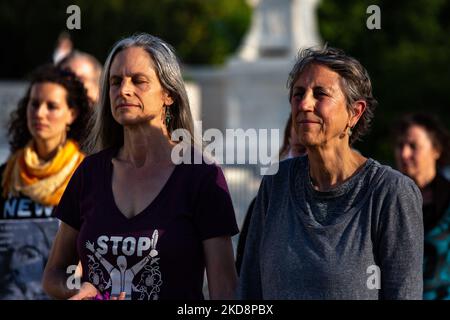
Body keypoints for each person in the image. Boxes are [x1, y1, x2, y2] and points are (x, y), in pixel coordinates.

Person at [43, 33, 238, 300]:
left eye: (138, 81)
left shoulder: (201, 176)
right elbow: (54, 273)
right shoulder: (89, 172)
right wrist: (78, 289)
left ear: (168, 94)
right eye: (115, 82)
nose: (123, 90)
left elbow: (225, 292)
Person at [237, 47, 424, 300]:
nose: (304, 104)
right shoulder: (276, 183)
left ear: (355, 112)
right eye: (298, 93)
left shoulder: (390, 193)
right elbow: (250, 291)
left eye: (320, 94)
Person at [0, 65, 90, 219]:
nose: (40, 114)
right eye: (34, 104)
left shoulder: (88, 174)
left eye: (52, 106)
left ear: (72, 114)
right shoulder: (7, 173)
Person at [235, 113, 305, 274]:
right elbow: (245, 273)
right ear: (287, 147)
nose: (308, 160)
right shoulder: (263, 208)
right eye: (300, 150)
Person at [393, 113, 450, 300]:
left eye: (413, 146)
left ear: (436, 150)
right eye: (400, 146)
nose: (404, 154)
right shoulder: (387, 200)